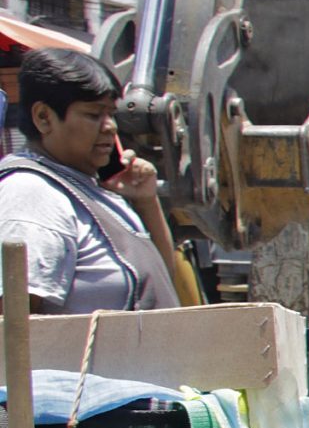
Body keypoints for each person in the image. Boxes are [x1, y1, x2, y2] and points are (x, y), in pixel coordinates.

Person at [0, 49, 185, 313]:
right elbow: (14, 328)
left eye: (110, 114)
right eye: (93, 114)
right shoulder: (32, 194)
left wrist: (146, 202)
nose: (110, 126)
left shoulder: (85, 188)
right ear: (43, 117)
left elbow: (158, 284)